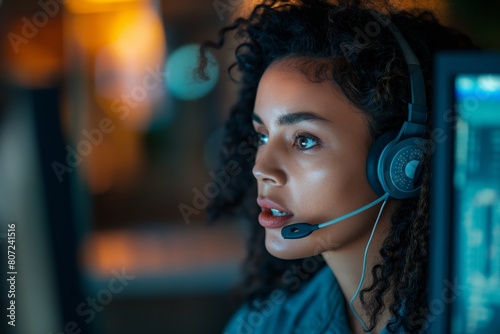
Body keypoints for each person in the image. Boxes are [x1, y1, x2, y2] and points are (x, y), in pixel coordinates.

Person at [198, 0, 477, 333]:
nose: (261, 168)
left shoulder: (477, 318)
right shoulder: (261, 326)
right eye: (262, 136)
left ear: (403, 163)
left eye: (304, 140)